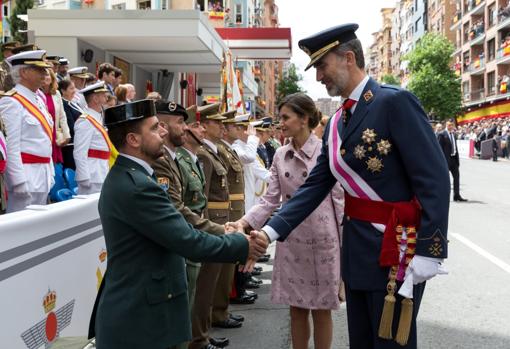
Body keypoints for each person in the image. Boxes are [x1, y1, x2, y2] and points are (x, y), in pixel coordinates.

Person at [250, 24, 450, 349]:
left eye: (321, 65)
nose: (318, 77)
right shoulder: (336, 124)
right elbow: (315, 186)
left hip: (395, 251)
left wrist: (430, 249)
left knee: (390, 343)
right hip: (357, 252)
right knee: (361, 342)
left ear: (348, 58)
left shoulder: (393, 103)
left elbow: (435, 179)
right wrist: (269, 232)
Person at [93, 99, 266, 349]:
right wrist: (242, 245)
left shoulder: (137, 177)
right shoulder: (137, 186)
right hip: (140, 321)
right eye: (154, 128)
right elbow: (187, 240)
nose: (163, 131)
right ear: (133, 140)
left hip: (145, 312)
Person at [229, 93, 344, 349]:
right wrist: (244, 223)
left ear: (304, 119)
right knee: (297, 308)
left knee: (322, 309)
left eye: (285, 117)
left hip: (325, 240)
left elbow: (339, 202)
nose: (280, 123)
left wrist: (344, 246)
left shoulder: (326, 151)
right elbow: (270, 200)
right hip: (292, 240)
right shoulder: (281, 155)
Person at [0, 50, 55, 212]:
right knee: (20, 229)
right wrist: (18, 181)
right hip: (26, 174)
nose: (45, 73)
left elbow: (46, 140)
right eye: (39, 70)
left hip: (42, 172)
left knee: (39, 228)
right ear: (24, 72)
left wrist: (49, 171)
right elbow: (11, 146)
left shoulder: (38, 100)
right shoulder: (12, 102)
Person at [211, 110, 248, 330]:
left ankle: (221, 311)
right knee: (216, 273)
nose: (223, 128)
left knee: (225, 270)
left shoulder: (222, 150)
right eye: (219, 124)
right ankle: (216, 314)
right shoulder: (211, 153)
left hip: (230, 212)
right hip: (217, 218)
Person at [73, 82, 110, 195]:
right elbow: (79, 152)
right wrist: (83, 176)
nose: (106, 96)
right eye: (103, 94)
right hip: (92, 173)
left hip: (101, 170)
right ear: (95, 98)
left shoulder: (98, 117)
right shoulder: (85, 121)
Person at [232, 115, 270, 212]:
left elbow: (265, 174)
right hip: (240, 201)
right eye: (246, 128)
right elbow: (248, 157)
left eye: (251, 129)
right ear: (238, 129)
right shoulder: (235, 147)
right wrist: (252, 137)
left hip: (249, 198)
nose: (251, 132)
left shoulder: (247, 148)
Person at [41, 69, 70, 165]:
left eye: (48, 75)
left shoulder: (56, 94)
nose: (46, 77)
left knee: (56, 168)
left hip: (55, 136)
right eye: (43, 75)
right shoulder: (37, 94)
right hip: (43, 135)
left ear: (52, 78)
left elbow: (62, 116)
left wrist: (66, 134)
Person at [437, 121, 467, 201]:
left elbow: (455, 147)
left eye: (452, 125)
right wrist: (441, 161)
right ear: (446, 125)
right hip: (446, 160)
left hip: (454, 159)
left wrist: (457, 159)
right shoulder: (442, 134)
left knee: (456, 178)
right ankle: (443, 196)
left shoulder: (454, 134)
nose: (451, 126)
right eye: (449, 125)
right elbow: (439, 149)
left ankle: (456, 195)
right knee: (445, 180)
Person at [58, 79, 82, 169]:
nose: (74, 91)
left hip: (77, 145)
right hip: (70, 147)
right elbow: (70, 126)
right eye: (71, 88)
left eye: (74, 88)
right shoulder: (63, 104)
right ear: (63, 91)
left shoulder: (73, 103)